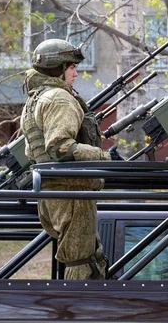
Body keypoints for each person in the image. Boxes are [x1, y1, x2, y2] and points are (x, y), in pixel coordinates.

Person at [20, 39, 113, 280]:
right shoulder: (59, 99)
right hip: (71, 190)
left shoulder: (38, 97)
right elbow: (61, 147)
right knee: (83, 263)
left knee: (82, 258)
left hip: (56, 190)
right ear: (58, 68)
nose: (76, 72)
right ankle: (76, 313)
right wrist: (104, 158)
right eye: (72, 67)